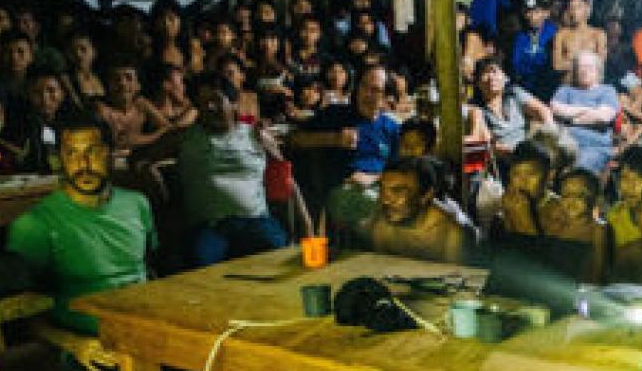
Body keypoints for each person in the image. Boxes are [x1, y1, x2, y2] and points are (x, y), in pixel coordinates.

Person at [6, 113, 156, 371]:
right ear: (60, 161)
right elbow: (18, 316)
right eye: (71, 154)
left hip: (145, 331)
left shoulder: (137, 205)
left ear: (111, 154)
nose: (83, 163)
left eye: (93, 151)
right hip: (85, 343)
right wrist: (74, 345)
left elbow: (149, 272)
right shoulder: (35, 225)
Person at [175, 74, 285, 266]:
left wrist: (272, 149)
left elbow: (283, 175)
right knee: (200, 260)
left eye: (216, 101)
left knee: (276, 251)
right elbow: (140, 156)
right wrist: (148, 174)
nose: (210, 107)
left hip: (255, 221)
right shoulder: (185, 138)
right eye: (203, 103)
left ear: (233, 102)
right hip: (211, 226)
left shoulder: (254, 134)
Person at [287, 65, 399, 231]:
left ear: (385, 96)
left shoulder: (391, 127)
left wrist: (374, 177)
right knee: (385, 211)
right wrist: (334, 138)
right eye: (363, 86)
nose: (367, 94)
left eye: (375, 90)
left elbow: (398, 167)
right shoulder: (335, 114)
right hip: (343, 190)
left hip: (381, 187)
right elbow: (295, 140)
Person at [365, 155, 473, 264]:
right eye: (382, 190)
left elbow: (457, 277)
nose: (385, 200)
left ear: (426, 195)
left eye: (398, 191)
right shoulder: (381, 226)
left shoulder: (452, 234)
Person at [550, 51, 620, 175]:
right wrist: (588, 110)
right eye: (580, 67)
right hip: (564, 143)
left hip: (594, 146)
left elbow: (604, 117)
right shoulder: (565, 90)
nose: (583, 71)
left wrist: (571, 118)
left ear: (598, 70)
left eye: (588, 67)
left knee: (578, 170)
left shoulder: (607, 90)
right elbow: (555, 109)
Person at [474, 57, 553, 153]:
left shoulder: (515, 93)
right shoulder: (476, 109)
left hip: (528, 150)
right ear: (478, 83)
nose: (491, 77)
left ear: (505, 77)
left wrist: (551, 136)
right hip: (503, 158)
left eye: (494, 71)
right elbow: (490, 144)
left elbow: (543, 111)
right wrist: (515, 154)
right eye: (484, 73)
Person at [551, 0, 606, 84]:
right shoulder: (561, 35)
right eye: (571, 7)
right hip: (568, 85)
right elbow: (557, 65)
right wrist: (587, 65)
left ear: (587, 9)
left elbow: (600, 64)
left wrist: (570, 63)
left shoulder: (598, 34)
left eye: (578, 7)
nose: (574, 11)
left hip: (591, 87)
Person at [511, 0, 559, 101]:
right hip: (527, 85)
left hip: (548, 85)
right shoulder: (520, 37)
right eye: (528, 12)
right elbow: (516, 63)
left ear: (546, 13)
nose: (532, 16)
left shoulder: (555, 33)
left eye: (536, 12)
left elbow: (555, 63)